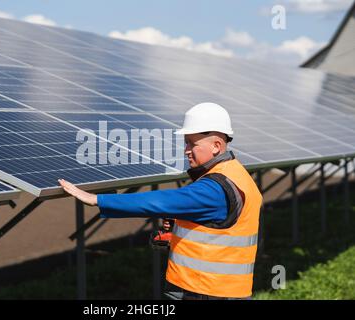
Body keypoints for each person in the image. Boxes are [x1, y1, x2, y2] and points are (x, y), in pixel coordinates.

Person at [59, 102, 263, 300]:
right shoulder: (237, 174)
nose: (186, 150)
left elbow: (160, 200)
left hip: (205, 290)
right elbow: (220, 227)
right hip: (222, 289)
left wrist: (98, 199)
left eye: (192, 143)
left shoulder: (214, 188)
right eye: (186, 143)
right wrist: (182, 227)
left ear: (216, 146)